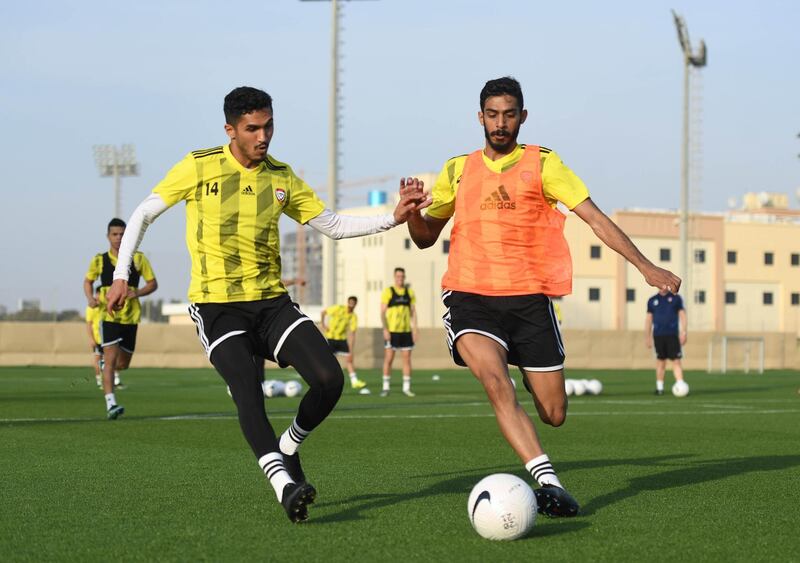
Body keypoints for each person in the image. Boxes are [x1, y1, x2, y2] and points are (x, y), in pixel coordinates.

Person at [105, 86, 429, 523]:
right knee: (247, 390)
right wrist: (122, 275)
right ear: (230, 129)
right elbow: (143, 213)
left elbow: (331, 225)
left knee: (329, 379)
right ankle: (284, 484)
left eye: (268, 125)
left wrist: (394, 217)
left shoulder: (281, 176)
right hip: (217, 306)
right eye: (252, 128)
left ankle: (290, 446)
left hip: (271, 304)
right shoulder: (199, 166)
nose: (263, 136)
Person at [404, 76, 681, 518]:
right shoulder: (458, 169)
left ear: (522, 117)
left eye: (509, 114)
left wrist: (646, 266)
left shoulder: (545, 164)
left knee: (554, 413)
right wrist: (413, 215)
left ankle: (526, 383)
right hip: (471, 296)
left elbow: (596, 218)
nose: (500, 123)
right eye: (492, 115)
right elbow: (424, 238)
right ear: (480, 118)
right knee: (497, 384)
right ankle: (549, 482)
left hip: (530, 302)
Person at [84, 218, 158, 418]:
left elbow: (152, 283)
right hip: (108, 316)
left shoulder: (139, 259)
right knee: (109, 360)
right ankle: (111, 404)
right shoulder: (99, 260)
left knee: (123, 363)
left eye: (122, 234)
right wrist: (90, 298)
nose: (118, 238)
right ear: (108, 236)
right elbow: (88, 281)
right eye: (115, 234)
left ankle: (107, 366)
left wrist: (137, 293)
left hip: (131, 317)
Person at [380, 267, 418, 397]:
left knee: (407, 359)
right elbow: (382, 313)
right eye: (398, 276)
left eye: (402, 276)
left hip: (406, 332)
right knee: (389, 359)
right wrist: (385, 329)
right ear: (394, 277)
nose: (400, 278)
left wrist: (415, 329)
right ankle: (385, 387)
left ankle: (406, 388)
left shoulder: (409, 292)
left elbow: (413, 312)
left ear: (404, 277)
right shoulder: (388, 292)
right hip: (392, 331)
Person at [645, 289, 687, 395]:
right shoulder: (652, 300)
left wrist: (684, 332)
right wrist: (647, 336)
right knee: (661, 361)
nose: (662, 286)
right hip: (658, 335)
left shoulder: (676, 298)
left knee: (676, 360)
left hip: (672, 335)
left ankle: (680, 384)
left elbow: (682, 315)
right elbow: (649, 319)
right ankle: (660, 388)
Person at [320, 296, 366, 390]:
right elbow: (323, 312)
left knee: (349, 360)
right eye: (350, 303)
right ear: (347, 302)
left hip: (342, 339)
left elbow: (353, 333)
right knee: (329, 361)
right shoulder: (339, 308)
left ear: (355, 305)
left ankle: (354, 381)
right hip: (331, 338)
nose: (351, 305)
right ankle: (326, 380)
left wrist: (351, 349)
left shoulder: (353, 316)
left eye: (353, 304)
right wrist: (323, 324)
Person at [84, 286, 104, 387]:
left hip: (107, 338)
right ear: (97, 294)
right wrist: (91, 339)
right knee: (97, 359)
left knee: (110, 359)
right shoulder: (91, 308)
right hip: (97, 338)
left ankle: (112, 379)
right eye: (101, 293)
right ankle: (99, 380)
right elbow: (89, 324)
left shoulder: (105, 305)